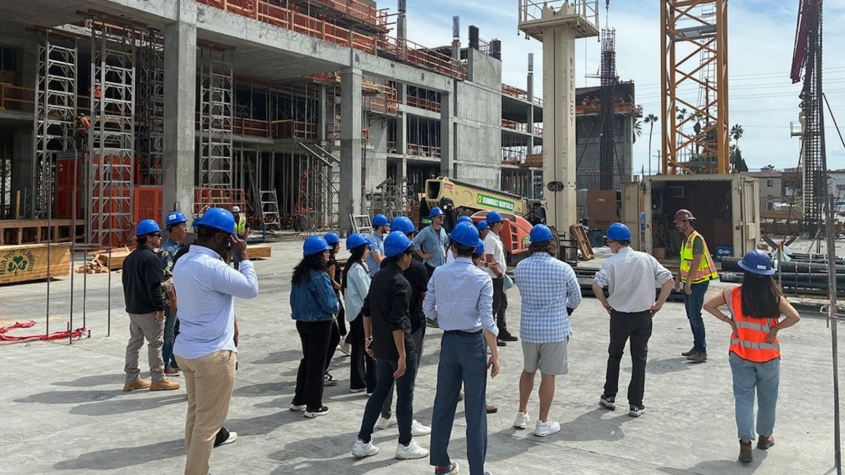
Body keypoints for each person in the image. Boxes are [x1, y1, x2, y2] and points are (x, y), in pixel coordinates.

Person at [172, 208, 258, 475]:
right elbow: (250, 289)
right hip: (213, 355)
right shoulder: (212, 266)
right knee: (208, 426)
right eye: (232, 238)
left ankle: (196, 468)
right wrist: (244, 257)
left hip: (186, 349)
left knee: (196, 416)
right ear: (221, 238)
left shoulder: (184, 261)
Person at [703, 249, 800, 463]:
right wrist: (776, 330)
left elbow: (708, 305)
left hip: (741, 355)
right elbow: (795, 316)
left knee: (744, 400)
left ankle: (745, 444)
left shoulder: (732, 294)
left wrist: (728, 321)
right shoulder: (774, 297)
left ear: (745, 272)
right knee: (767, 400)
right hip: (768, 357)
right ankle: (764, 438)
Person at [424, 221, 500, 475]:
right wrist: (495, 355)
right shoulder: (482, 278)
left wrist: (444, 316)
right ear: (476, 251)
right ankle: (477, 470)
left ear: (453, 248)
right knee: (475, 410)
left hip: (449, 343)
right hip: (473, 343)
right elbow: (488, 320)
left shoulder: (439, 273)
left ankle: (441, 465)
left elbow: (428, 309)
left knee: (444, 403)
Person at [352, 231, 428, 460]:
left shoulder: (378, 277)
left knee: (380, 391)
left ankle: (363, 440)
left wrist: (368, 338)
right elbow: (399, 324)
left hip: (382, 347)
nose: (411, 258)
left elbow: (366, 311)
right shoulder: (401, 283)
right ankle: (405, 443)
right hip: (398, 346)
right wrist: (403, 355)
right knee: (405, 395)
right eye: (410, 254)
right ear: (403, 256)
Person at [592, 223, 673, 418]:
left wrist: (605, 303)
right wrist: (659, 304)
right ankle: (635, 404)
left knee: (614, 355)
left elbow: (596, 285)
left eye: (610, 242)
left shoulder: (611, 263)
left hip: (619, 316)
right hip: (643, 316)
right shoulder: (646, 259)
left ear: (617, 244)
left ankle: (609, 396)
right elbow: (668, 279)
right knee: (639, 359)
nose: (610, 246)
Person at [513, 224, 582, 436]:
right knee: (548, 375)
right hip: (554, 329)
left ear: (531, 244)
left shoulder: (521, 267)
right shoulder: (562, 268)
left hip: (529, 329)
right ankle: (542, 422)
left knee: (528, 370)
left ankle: (521, 413)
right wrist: (565, 310)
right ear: (552, 244)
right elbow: (576, 297)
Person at [374, 217, 432, 436]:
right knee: (407, 377)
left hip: (387, 326)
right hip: (412, 326)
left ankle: (385, 415)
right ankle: (405, 423)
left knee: (387, 375)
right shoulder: (417, 268)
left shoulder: (384, 266)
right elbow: (426, 296)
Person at [121, 219, 180, 392]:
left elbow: (127, 284)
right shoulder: (151, 259)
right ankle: (158, 378)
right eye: (157, 235)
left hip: (133, 308)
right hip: (148, 309)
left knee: (134, 343)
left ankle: (131, 379)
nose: (160, 238)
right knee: (156, 343)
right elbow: (154, 286)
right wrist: (160, 307)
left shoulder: (130, 258)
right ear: (148, 238)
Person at [289, 236, 338, 418]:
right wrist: (336, 310)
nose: (328, 254)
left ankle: (299, 400)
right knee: (317, 364)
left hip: (302, 322)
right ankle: (314, 406)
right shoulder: (320, 276)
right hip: (319, 322)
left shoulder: (299, 274)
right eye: (325, 252)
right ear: (318, 255)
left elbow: (293, 300)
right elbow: (330, 303)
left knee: (307, 359)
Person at [673, 209, 718, 363]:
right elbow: (684, 261)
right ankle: (697, 346)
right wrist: (678, 279)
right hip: (690, 282)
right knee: (691, 316)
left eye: (679, 222)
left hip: (698, 283)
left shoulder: (696, 239)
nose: (678, 225)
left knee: (695, 316)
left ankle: (701, 350)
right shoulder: (686, 240)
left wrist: (689, 281)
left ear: (687, 222)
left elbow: (697, 261)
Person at [342, 233, 375, 394]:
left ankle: (358, 383)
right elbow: (366, 294)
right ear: (361, 249)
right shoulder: (357, 269)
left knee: (358, 348)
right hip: (362, 314)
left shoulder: (353, 267)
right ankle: (371, 386)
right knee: (369, 347)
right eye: (367, 248)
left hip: (355, 313)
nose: (369, 250)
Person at [159, 210, 188, 376]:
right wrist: (172, 299)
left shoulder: (181, 248)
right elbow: (165, 279)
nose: (185, 228)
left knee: (179, 331)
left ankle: (176, 360)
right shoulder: (166, 250)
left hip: (182, 297)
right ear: (174, 229)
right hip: (171, 299)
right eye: (183, 226)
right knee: (169, 332)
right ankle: (166, 363)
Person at [484, 211, 517, 347]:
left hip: (499, 277)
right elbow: (489, 260)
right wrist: (498, 274)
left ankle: (501, 330)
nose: (502, 224)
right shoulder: (490, 240)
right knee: (494, 307)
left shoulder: (496, 237)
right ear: (494, 224)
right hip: (494, 278)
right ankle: (492, 336)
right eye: (501, 222)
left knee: (502, 304)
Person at [415, 206, 449, 328]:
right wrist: (423, 255)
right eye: (439, 217)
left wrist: (443, 252)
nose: (442, 219)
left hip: (441, 265)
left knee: (440, 290)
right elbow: (416, 243)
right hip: (430, 265)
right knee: (430, 291)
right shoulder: (426, 231)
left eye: (443, 217)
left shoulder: (443, 231)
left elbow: (446, 243)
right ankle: (429, 315)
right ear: (433, 218)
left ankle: (436, 314)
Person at [322, 232, 344, 387]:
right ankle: (322, 371)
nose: (339, 246)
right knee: (335, 335)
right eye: (337, 244)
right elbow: (330, 280)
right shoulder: (330, 261)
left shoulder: (327, 259)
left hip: (333, 297)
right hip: (333, 298)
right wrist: (342, 287)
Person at [366, 213, 389, 278]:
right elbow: (379, 260)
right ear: (381, 227)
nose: (387, 228)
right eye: (386, 226)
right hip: (374, 276)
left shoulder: (383, 239)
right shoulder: (372, 241)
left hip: (381, 274)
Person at [231, 206, 251, 270]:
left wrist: (244, 238)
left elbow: (247, 228)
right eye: (233, 213)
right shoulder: (230, 219)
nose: (234, 214)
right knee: (235, 258)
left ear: (238, 212)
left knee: (243, 256)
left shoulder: (243, 219)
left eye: (236, 213)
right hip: (234, 240)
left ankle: (243, 270)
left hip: (242, 238)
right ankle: (236, 270)